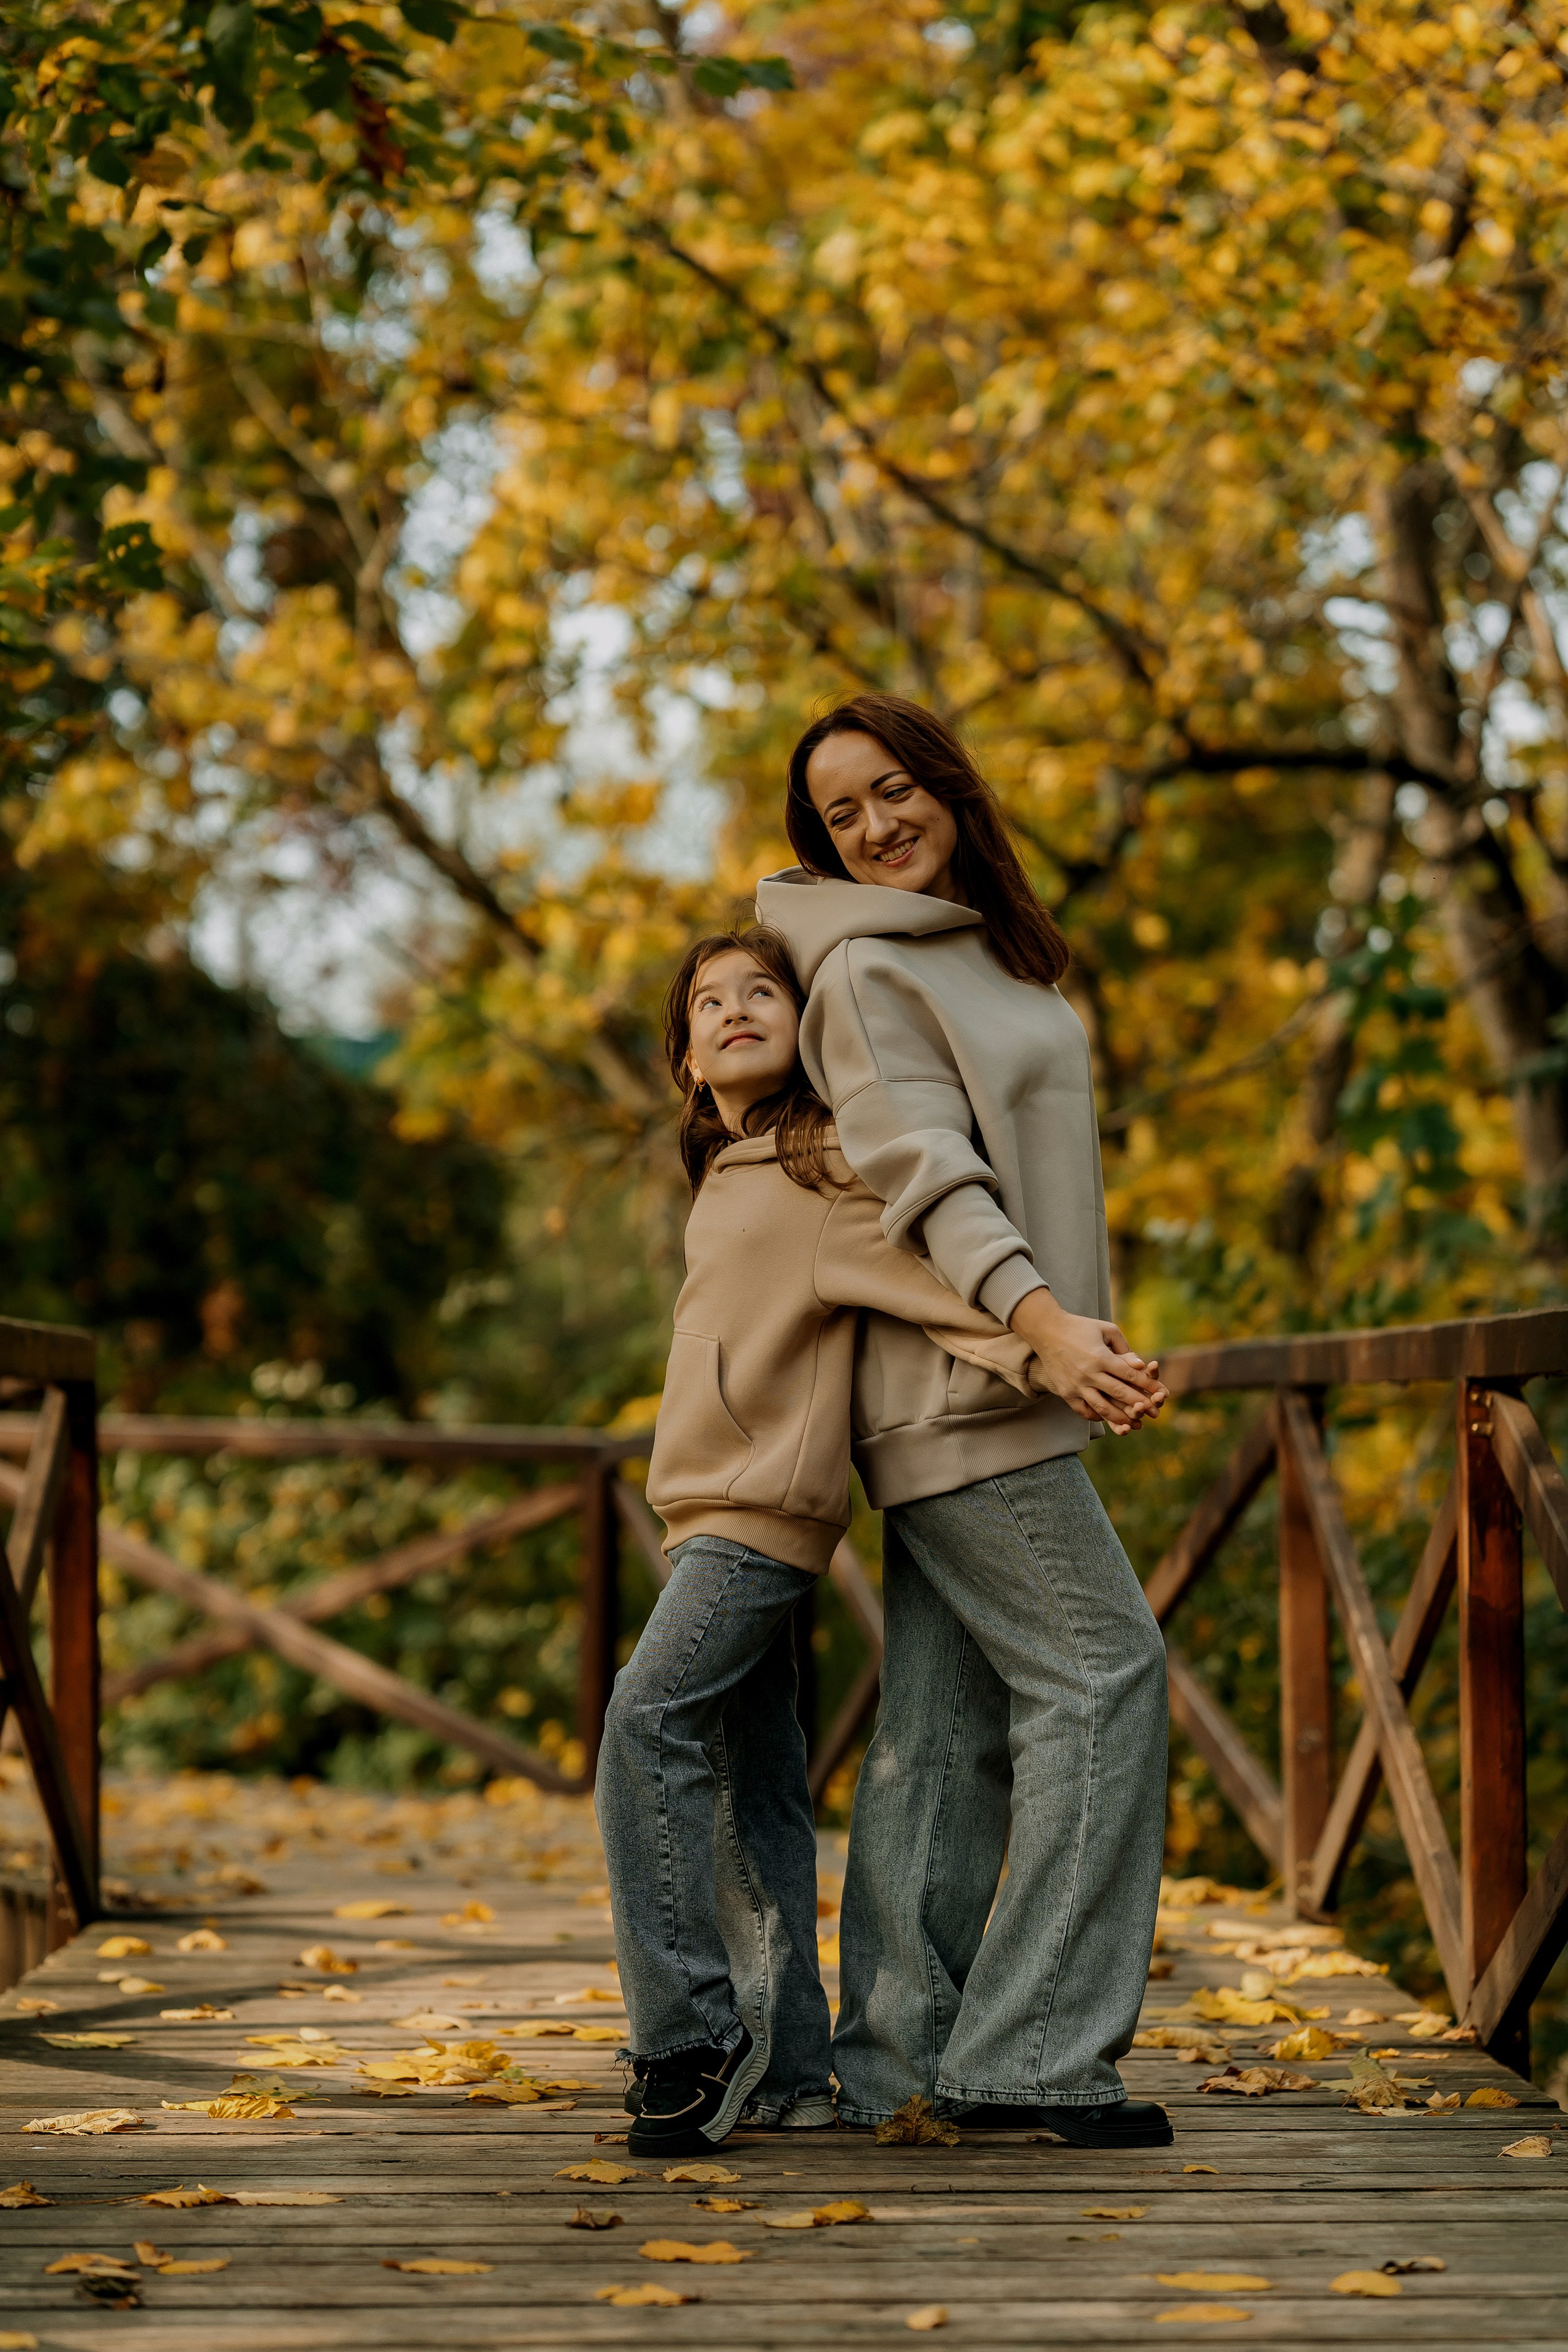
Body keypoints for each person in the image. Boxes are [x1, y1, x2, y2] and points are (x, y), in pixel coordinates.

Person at [756, 692, 1174, 2149]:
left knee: (942, 1731)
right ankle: (1035, 2057)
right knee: (1104, 1676)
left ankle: (900, 2061)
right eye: (840, 814)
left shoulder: (985, 955)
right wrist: (1041, 1325)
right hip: (965, 1381)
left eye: (891, 792)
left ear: (946, 783)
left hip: (998, 1374)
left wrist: (1075, 1326)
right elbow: (922, 1170)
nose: (874, 827)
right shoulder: (864, 969)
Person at [596, 924, 1047, 2158]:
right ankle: (789, 2068)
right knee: (755, 1790)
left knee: (644, 1724)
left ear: (802, 1029)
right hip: (709, 1512)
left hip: (758, 1520)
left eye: (762, 992)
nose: (735, 1009)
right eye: (708, 1002)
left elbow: (928, 1280)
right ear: (686, 1059)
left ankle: (687, 2036)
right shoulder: (730, 1173)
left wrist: (1042, 1343)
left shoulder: (817, 1163)